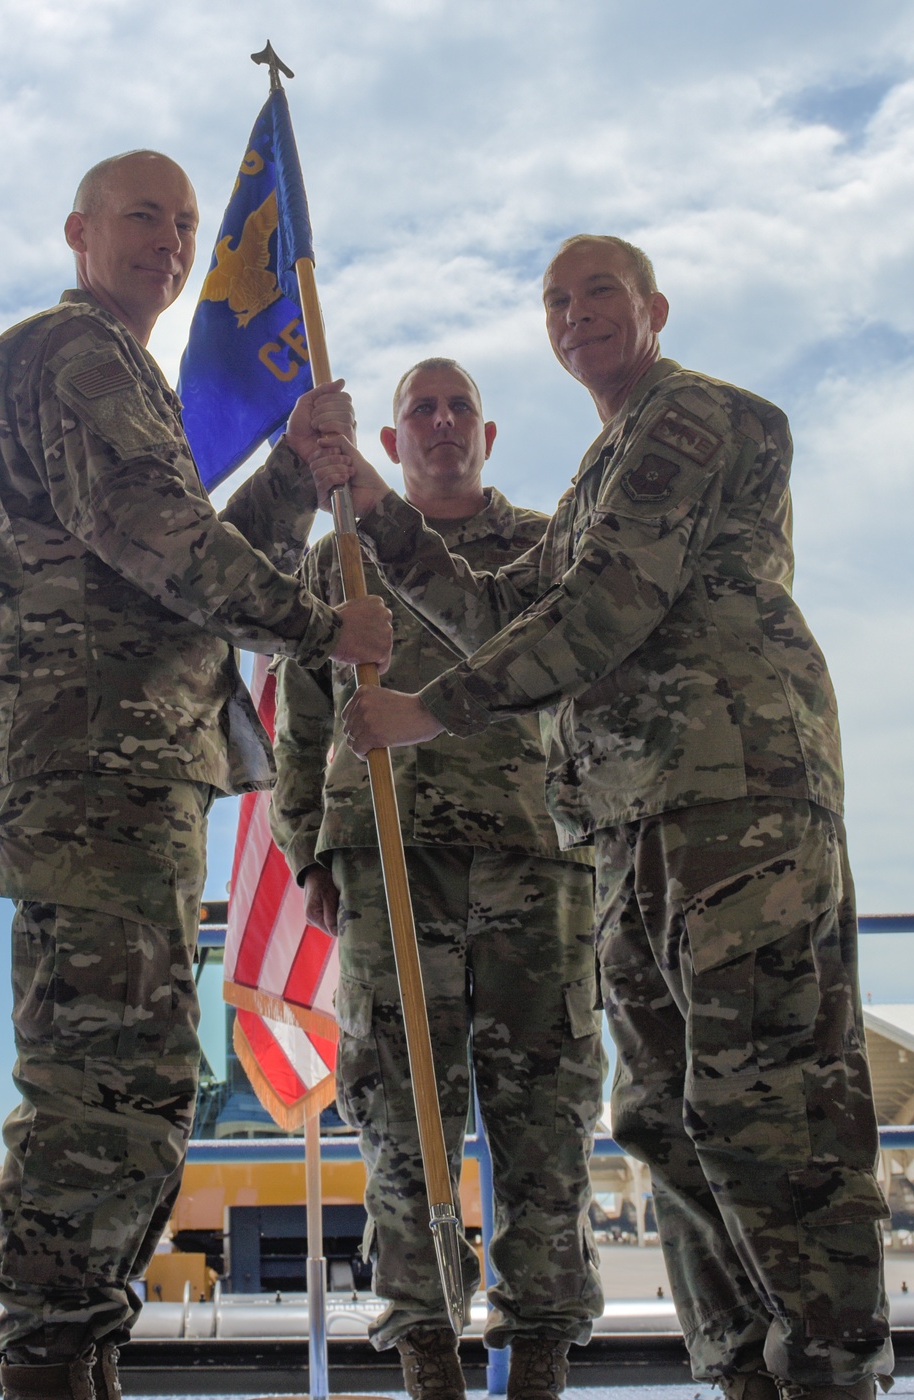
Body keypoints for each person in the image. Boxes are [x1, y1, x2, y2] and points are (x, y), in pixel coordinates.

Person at [309, 237, 893, 1400]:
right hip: (627, 827)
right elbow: (493, 603)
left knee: (767, 1109)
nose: (577, 315)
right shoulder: (594, 476)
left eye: (600, 294)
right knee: (668, 1119)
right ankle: (747, 1374)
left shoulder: (693, 421)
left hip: (734, 803)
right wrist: (374, 510)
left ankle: (832, 1377)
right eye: (556, 301)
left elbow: (605, 602)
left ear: (653, 309)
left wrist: (428, 709)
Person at [0, 149, 393, 1400]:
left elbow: (184, 565)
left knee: (140, 1068)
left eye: (189, 222)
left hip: (130, 760)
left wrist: (298, 474)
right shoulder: (72, 350)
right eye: (143, 214)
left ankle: (77, 1346)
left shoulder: (118, 374)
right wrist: (327, 626)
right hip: (92, 758)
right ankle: (49, 1355)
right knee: (102, 1069)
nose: (172, 238)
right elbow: (167, 545)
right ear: (80, 228)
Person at [269, 358, 605, 1400]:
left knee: (544, 1106)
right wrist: (310, 851)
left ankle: (540, 1344)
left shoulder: (549, 548)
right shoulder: (340, 566)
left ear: (489, 435)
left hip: (533, 859)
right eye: (422, 408)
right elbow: (303, 722)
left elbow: (580, 687)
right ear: (391, 442)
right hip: (387, 862)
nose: (443, 422)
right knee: (401, 1112)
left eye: (460, 407)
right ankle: (426, 1346)